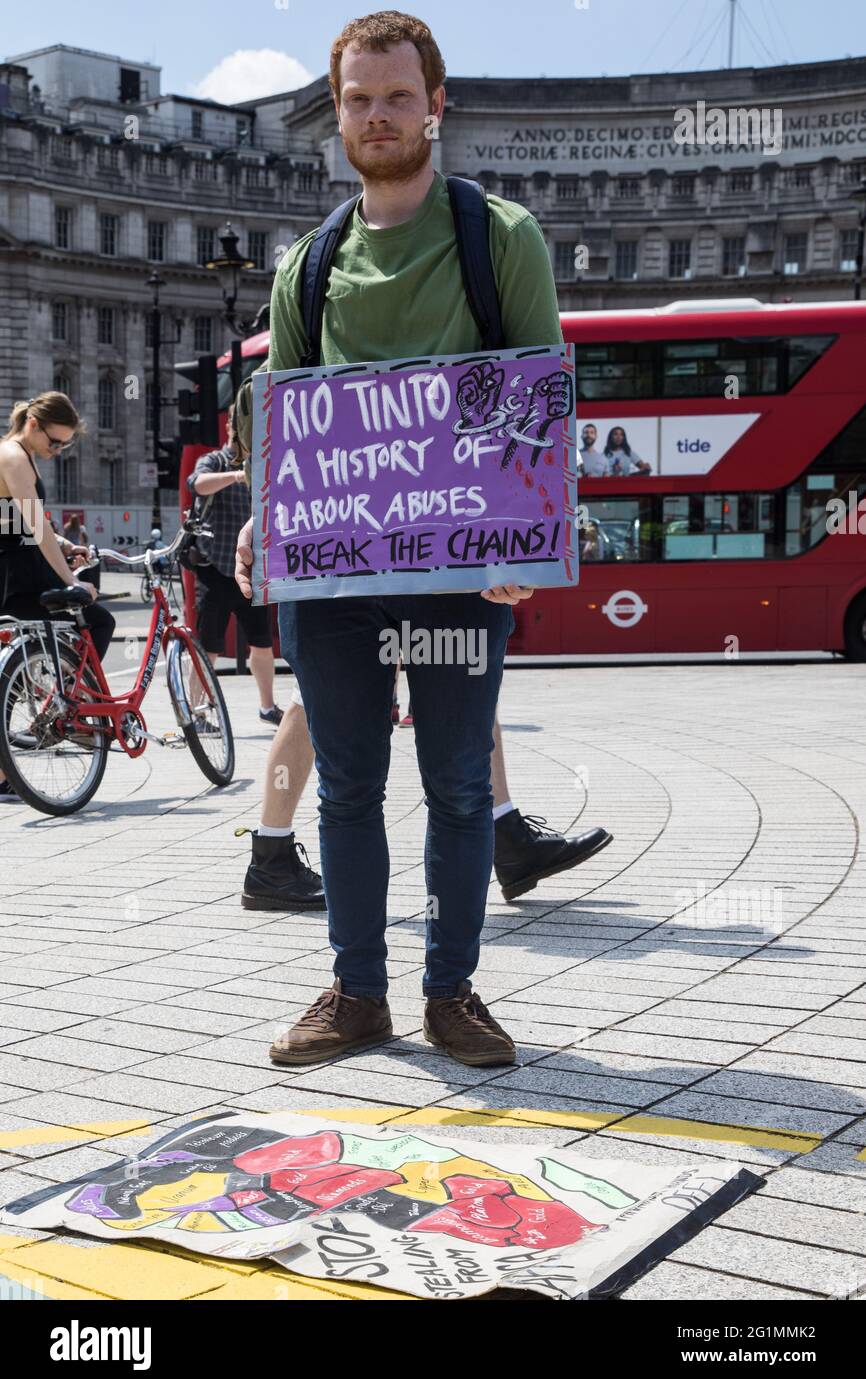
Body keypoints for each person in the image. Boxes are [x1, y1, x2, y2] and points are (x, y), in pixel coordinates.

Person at [233, 13, 611, 1071]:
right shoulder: (305, 266)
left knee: (453, 784)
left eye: (397, 96)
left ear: (434, 104)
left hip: (458, 576)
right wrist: (268, 515)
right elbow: (288, 426)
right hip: (336, 581)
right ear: (337, 115)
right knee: (347, 783)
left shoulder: (499, 238)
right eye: (357, 99)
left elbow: (533, 400)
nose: (377, 116)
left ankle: (451, 991)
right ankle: (358, 992)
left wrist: (520, 540)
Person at [0, 392, 114, 801]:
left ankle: (62, 702)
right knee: (99, 620)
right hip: (17, 578)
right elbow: (34, 525)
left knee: (18, 670)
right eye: (55, 441)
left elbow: (19, 521)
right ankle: (72, 706)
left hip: (18, 570)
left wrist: (65, 544)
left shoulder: (16, 454)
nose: (57, 450)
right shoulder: (13, 456)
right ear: (33, 424)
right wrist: (73, 582)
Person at [189, 404, 284, 727]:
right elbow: (197, 484)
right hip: (215, 569)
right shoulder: (216, 460)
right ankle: (198, 711)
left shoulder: (263, 464)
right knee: (209, 646)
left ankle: (267, 707)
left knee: (261, 643)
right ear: (232, 426)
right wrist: (236, 475)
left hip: (250, 569)